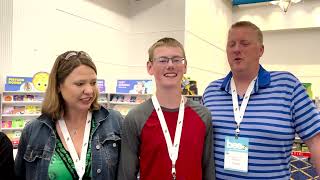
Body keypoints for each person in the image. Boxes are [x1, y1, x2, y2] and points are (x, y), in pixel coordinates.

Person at [203, 21, 320, 179]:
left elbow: (316, 142)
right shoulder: (211, 92)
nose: (237, 49)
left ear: (260, 50)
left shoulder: (287, 86)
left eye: (244, 43)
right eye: (231, 44)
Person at [15, 51, 122, 180]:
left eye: (93, 83)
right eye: (80, 84)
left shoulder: (114, 122)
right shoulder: (34, 130)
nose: (89, 90)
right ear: (59, 85)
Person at [118, 37, 214, 180]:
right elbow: (126, 175)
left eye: (176, 60)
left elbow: (208, 170)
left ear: (185, 66)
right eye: (162, 60)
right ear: (150, 67)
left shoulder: (203, 115)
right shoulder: (136, 117)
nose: (170, 65)